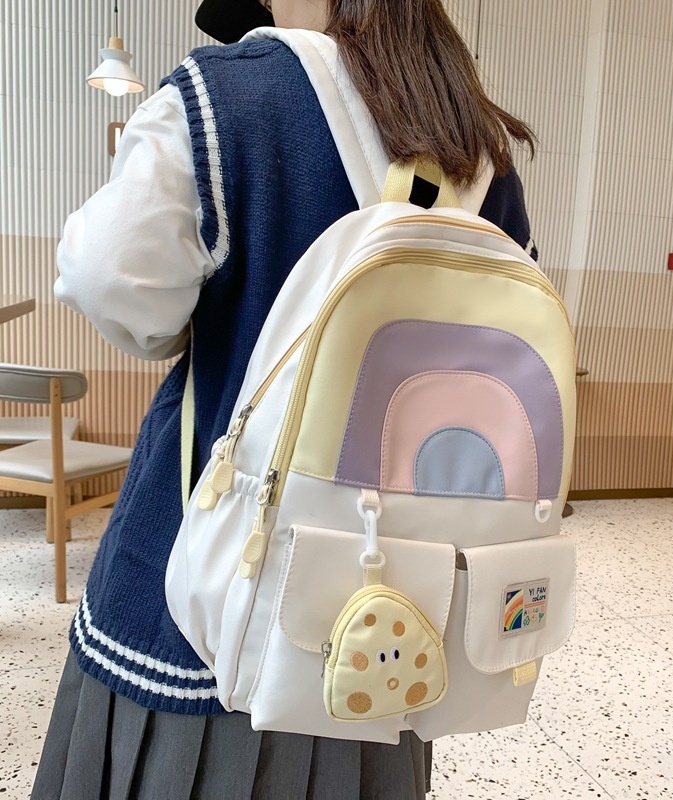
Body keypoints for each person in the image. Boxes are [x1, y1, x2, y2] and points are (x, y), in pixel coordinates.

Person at [31, 1, 537, 797]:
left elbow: (104, 277)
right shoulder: (477, 148)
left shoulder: (227, 96)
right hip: (394, 599)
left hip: (207, 587)